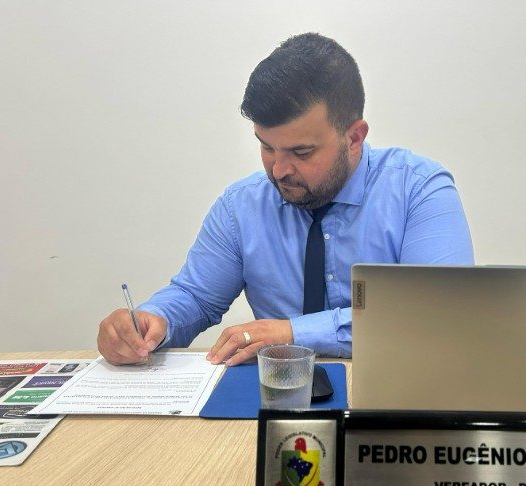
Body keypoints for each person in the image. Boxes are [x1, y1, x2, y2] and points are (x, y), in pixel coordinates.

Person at [97, 33, 474, 366]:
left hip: (396, 397)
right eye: (266, 147)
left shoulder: (418, 190)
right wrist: (152, 322)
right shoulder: (241, 206)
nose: (278, 170)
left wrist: (294, 332)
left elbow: (439, 315)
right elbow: (195, 297)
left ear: (354, 138)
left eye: (301, 152)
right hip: (277, 395)